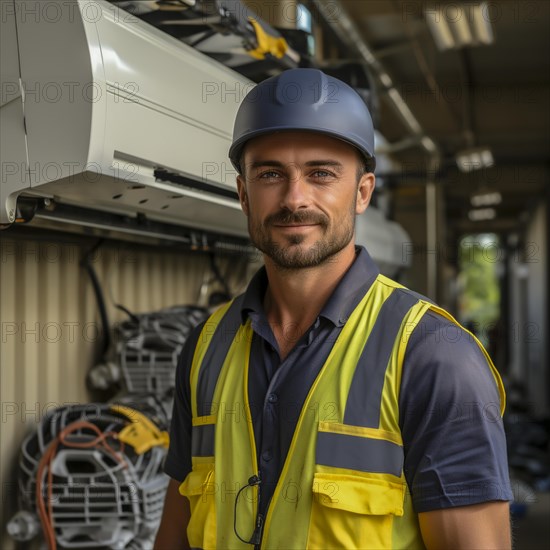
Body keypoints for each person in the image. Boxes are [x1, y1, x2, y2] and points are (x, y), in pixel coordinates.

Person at [154, 68, 512, 549]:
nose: (294, 198)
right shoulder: (206, 348)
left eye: (321, 173)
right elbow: (175, 534)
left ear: (362, 192)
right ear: (243, 194)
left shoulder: (433, 356)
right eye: (270, 174)